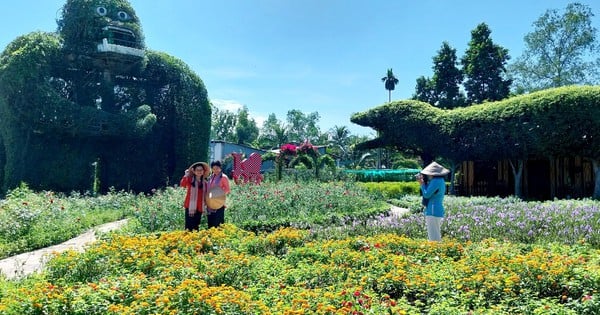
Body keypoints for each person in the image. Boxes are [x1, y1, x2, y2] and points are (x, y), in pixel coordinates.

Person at [416, 161, 449, 241]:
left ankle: (436, 252)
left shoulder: (435, 181)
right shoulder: (440, 180)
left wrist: (422, 184)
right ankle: (437, 252)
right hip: (436, 209)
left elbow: (426, 194)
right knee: (436, 235)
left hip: (433, 210)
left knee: (433, 238)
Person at [180, 162, 209, 231]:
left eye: (201, 170)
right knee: (188, 227)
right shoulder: (190, 179)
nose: (199, 172)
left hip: (199, 208)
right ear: (194, 171)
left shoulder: (205, 183)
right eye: (197, 170)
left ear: (203, 171)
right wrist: (185, 175)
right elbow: (183, 185)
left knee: (196, 227)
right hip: (190, 207)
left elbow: (207, 195)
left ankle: (195, 241)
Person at [206, 160, 231, 228]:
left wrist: (218, 193)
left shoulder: (223, 177)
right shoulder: (211, 177)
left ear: (220, 168)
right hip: (210, 203)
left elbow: (227, 189)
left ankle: (219, 237)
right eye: (213, 169)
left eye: (217, 168)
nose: (215, 170)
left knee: (218, 222)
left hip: (219, 203)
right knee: (210, 222)